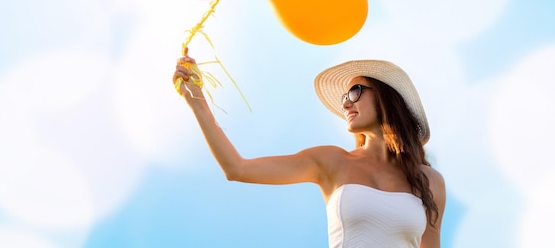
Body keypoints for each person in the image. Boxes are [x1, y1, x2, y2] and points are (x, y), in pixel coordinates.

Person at [173, 57, 446, 247]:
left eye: (355, 92)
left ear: (386, 97)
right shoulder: (332, 161)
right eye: (344, 98)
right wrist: (197, 101)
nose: (346, 104)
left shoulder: (429, 181)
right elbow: (237, 168)